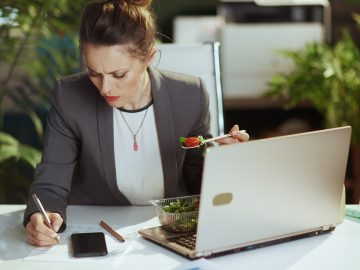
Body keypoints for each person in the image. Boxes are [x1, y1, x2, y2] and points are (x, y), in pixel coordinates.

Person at [23, 0, 249, 247]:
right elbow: (50, 183)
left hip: (169, 235)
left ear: (149, 57)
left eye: (118, 74)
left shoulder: (190, 95)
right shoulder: (69, 97)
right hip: (99, 233)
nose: (105, 88)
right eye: (94, 73)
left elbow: (198, 182)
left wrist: (226, 163)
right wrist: (39, 216)